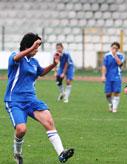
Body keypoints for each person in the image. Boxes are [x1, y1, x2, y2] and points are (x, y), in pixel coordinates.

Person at [4, 33, 74, 164]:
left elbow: (41, 72)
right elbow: (17, 58)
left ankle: (61, 153)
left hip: (31, 100)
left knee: (48, 121)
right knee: (21, 129)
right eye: (35, 47)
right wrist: (31, 48)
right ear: (28, 45)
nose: (36, 50)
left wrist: (54, 64)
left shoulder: (34, 62)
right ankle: (17, 154)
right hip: (15, 101)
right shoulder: (15, 57)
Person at [101, 42, 125, 113]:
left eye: (116, 48)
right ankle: (111, 104)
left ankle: (114, 108)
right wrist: (103, 76)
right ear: (111, 48)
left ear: (118, 49)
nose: (114, 49)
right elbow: (104, 66)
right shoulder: (107, 56)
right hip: (108, 76)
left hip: (117, 76)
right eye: (113, 48)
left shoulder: (121, 56)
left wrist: (115, 55)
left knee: (116, 92)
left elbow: (120, 64)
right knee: (108, 94)